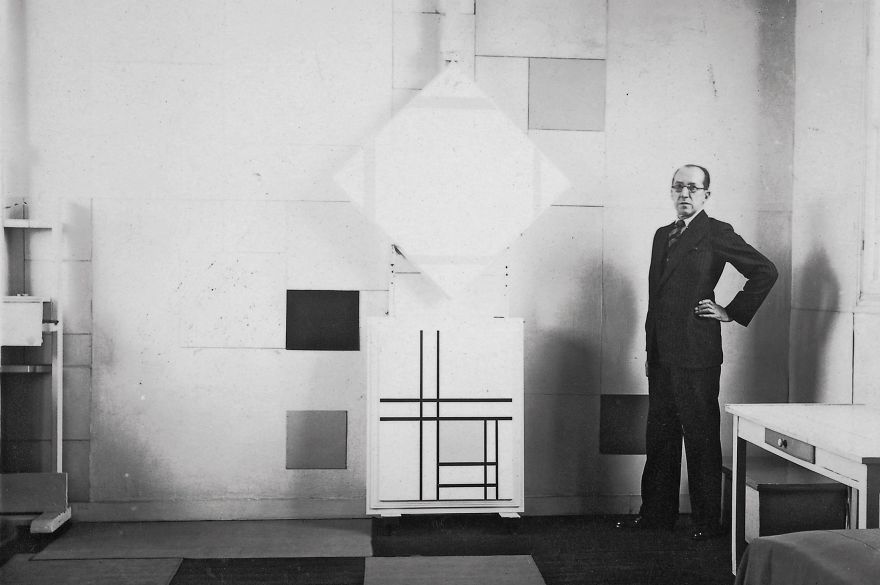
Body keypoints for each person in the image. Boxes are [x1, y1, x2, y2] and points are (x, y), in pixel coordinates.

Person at [617, 164, 778, 540]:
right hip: (661, 354)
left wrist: (730, 311)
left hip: (696, 353)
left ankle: (706, 524)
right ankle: (657, 516)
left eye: (693, 188)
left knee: (701, 438)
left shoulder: (716, 232)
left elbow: (765, 271)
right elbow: (657, 300)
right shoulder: (662, 235)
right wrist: (650, 350)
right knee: (660, 437)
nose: (684, 194)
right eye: (678, 187)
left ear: (707, 194)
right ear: (671, 192)